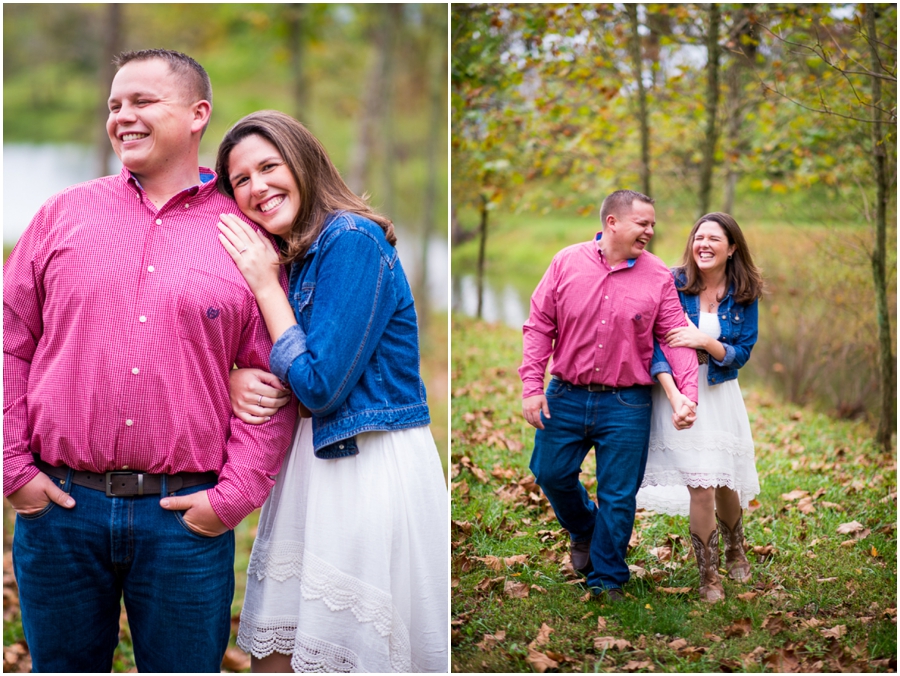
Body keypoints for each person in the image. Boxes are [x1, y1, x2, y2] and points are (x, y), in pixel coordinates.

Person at [3, 49, 297, 673]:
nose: (122, 117)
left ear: (198, 114)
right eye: (114, 105)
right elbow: (10, 340)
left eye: (142, 101)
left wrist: (233, 498)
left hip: (184, 523)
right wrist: (12, 471)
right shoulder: (63, 216)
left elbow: (274, 380)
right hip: (58, 511)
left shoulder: (244, 236)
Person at [213, 110, 449, 673]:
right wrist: (233, 375)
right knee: (281, 653)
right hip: (310, 463)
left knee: (341, 652)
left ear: (304, 162)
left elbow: (320, 385)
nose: (257, 188)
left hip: (363, 463)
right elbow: (271, 351)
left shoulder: (352, 241)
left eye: (269, 166)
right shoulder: (291, 252)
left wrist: (265, 285)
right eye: (240, 180)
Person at [519, 190, 700, 602]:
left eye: (653, 224)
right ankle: (586, 530)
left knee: (618, 494)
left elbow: (674, 339)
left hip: (627, 403)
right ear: (612, 222)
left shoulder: (657, 277)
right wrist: (532, 386)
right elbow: (539, 325)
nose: (651, 231)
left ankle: (607, 580)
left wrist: (685, 395)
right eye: (643, 223)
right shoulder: (566, 262)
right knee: (550, 472)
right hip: (565, 393)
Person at [637, 212, 763, 603]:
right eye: (698, 237)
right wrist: (673, 392)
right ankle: (708, 574)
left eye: (714, 239)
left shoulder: (744, 292)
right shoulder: (672, 283)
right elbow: (654, 343)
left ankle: (734, 547)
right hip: (679, 393)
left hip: (720, 393)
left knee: (726, 483)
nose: (703, 245)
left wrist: (704, 342)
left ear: (732, 248)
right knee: (702, 485)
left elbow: (741, 352)